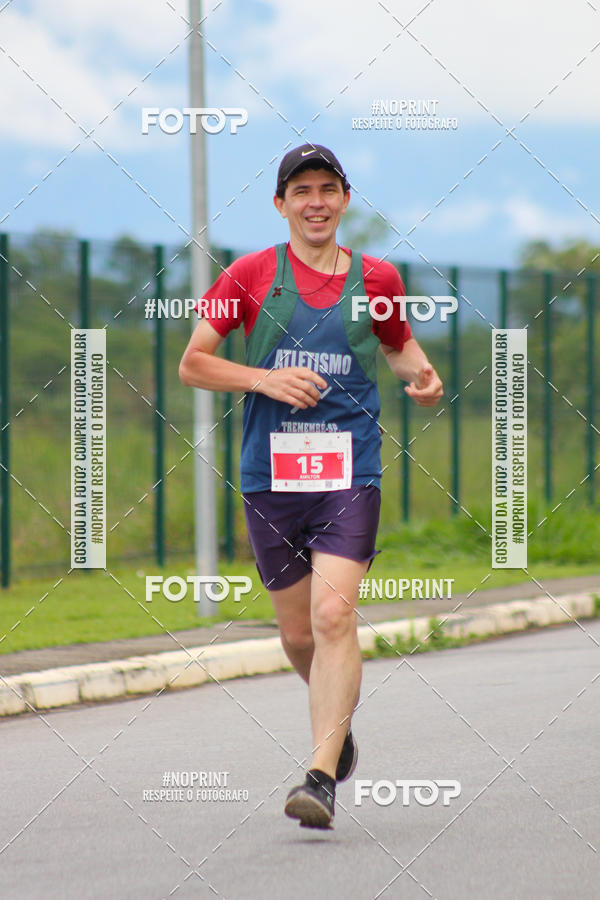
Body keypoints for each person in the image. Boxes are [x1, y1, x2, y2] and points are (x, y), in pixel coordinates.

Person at [179, 143, 443, 829]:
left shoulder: (379, 278)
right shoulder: (250, 274)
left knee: (333, 618)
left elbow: (395, 344)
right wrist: (263, 378)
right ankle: (339, 723)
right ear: (281, 204)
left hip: (349, 472)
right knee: (298, 634)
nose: (316, 201)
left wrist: (422, 376)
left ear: (345, 199)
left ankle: (320, 774)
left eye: (328, 188)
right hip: (271, 477)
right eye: (302, 191)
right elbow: (194, 364)